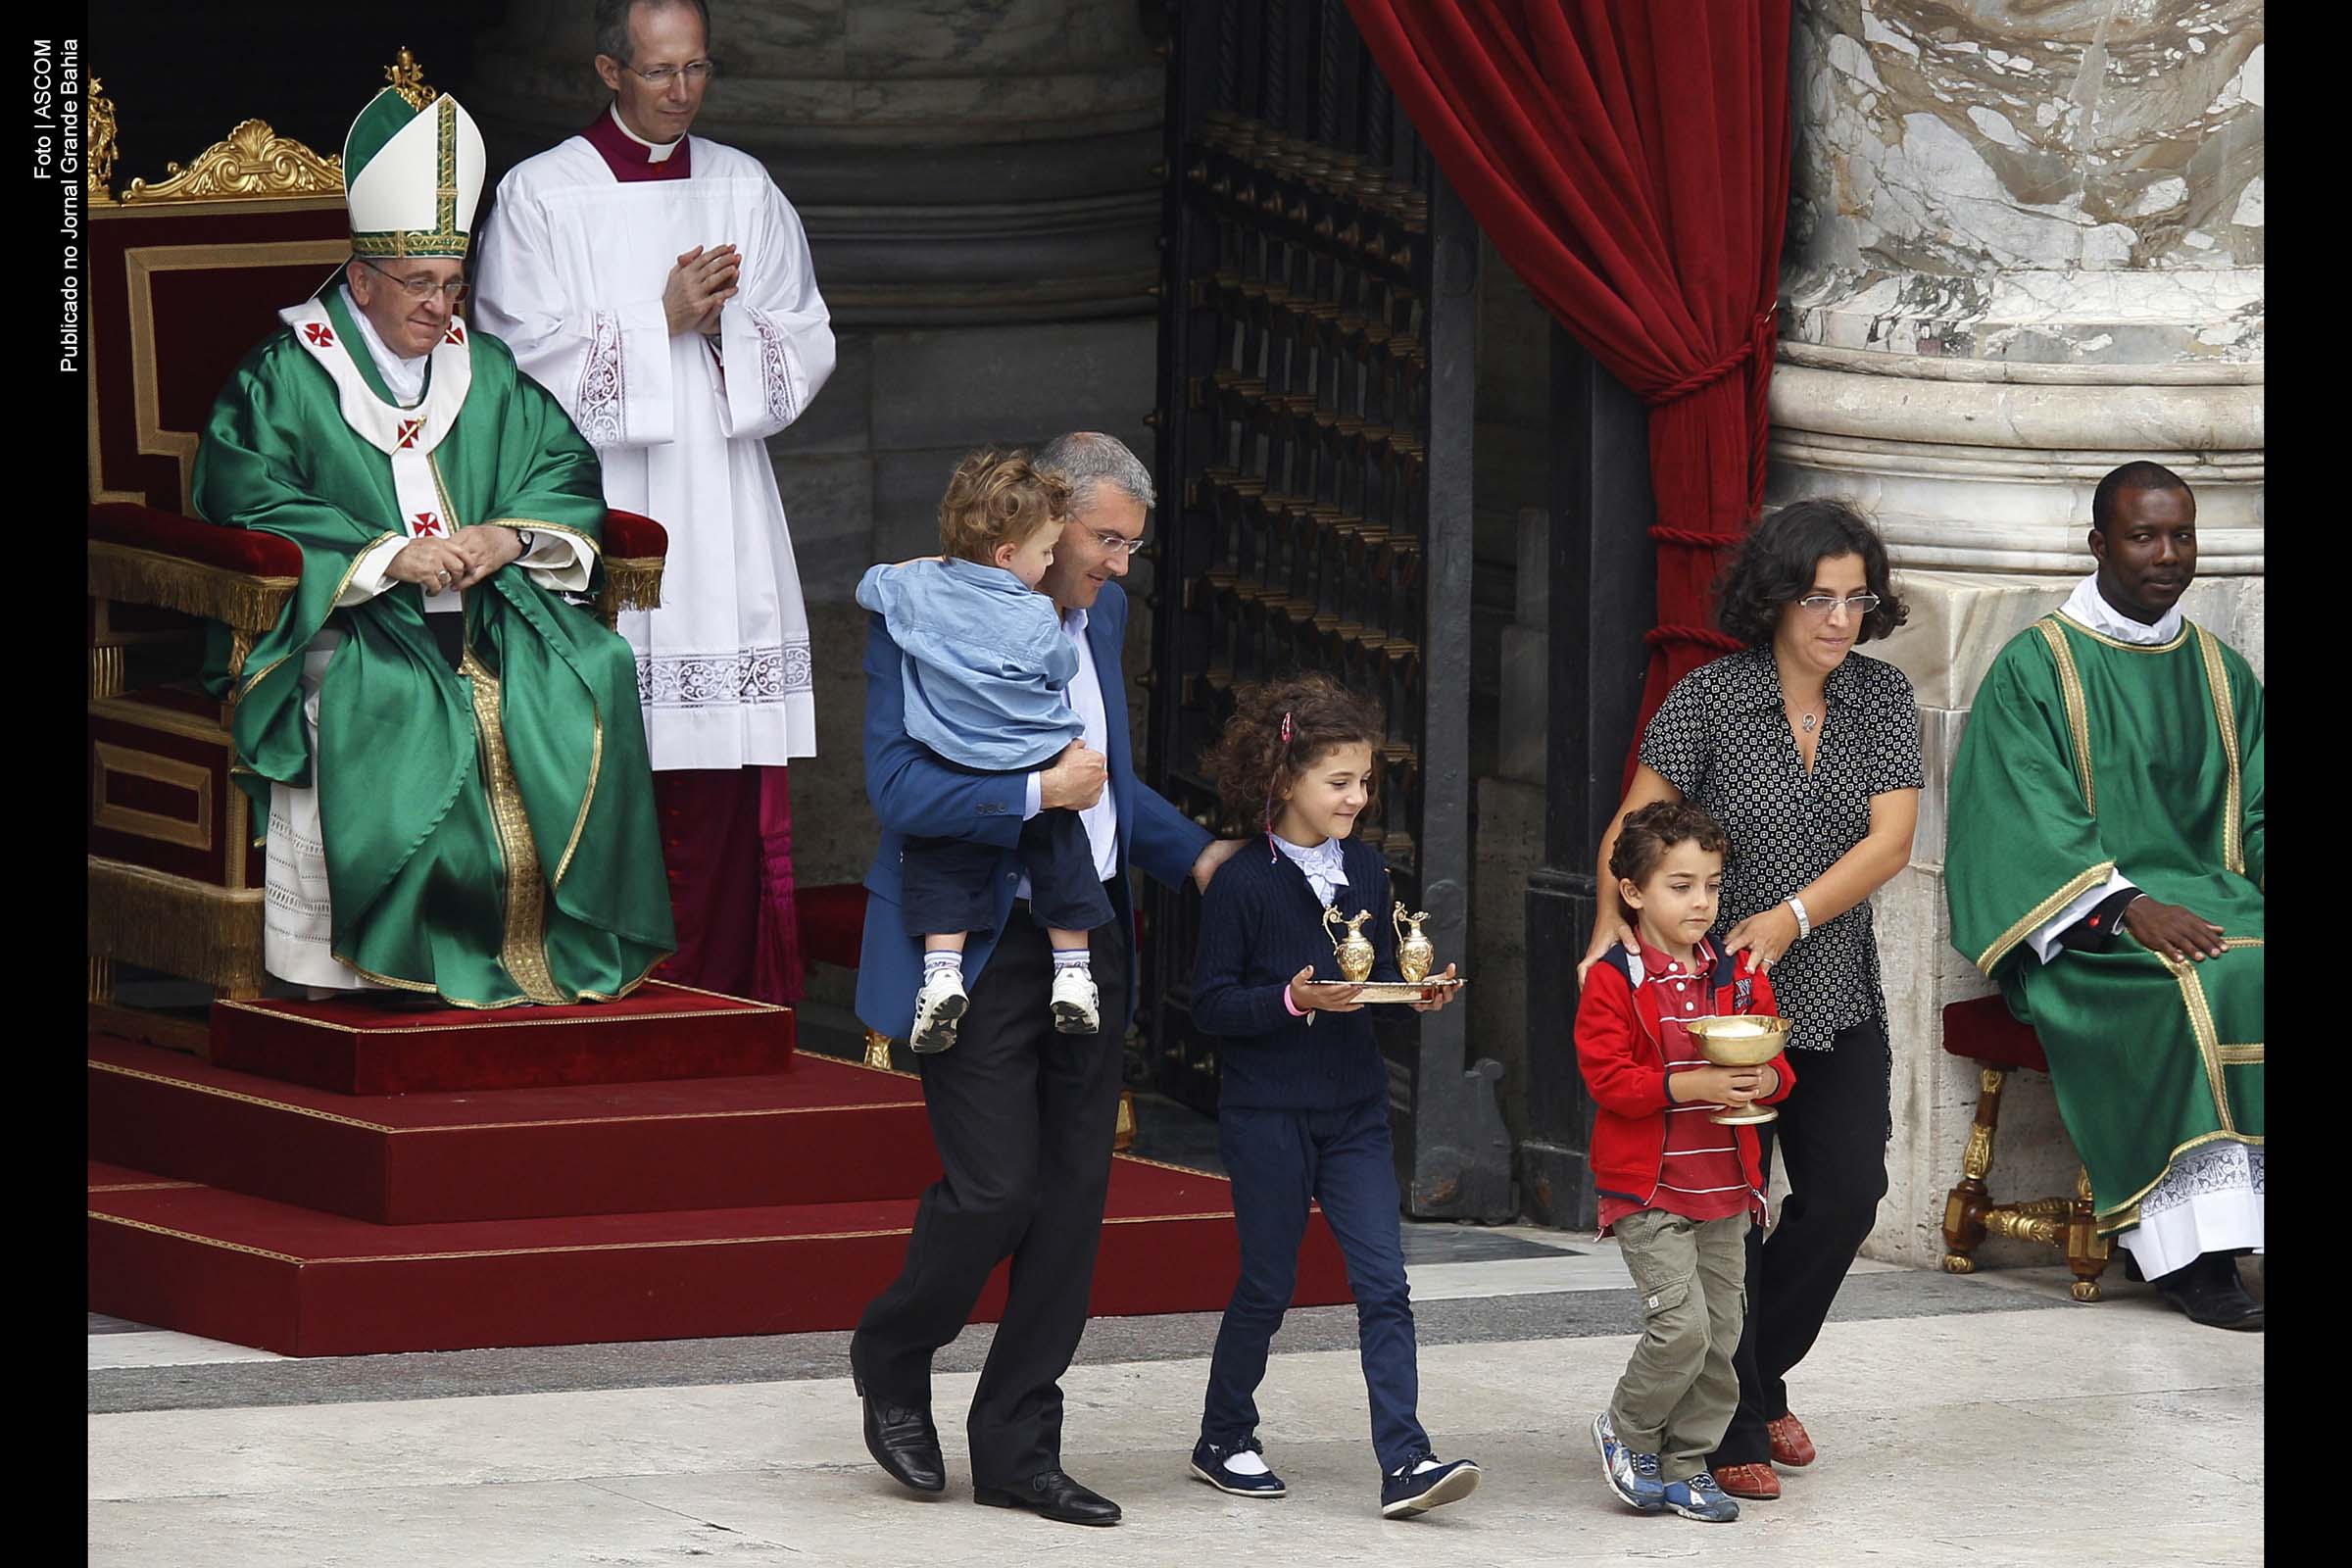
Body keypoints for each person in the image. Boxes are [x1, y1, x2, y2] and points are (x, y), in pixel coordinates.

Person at [195, 86, 674, 1006]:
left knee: (598, 664)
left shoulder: (482, 367)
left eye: (453, 284)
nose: (442, 306)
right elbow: (243, 495)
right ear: (362, 279)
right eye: (420, 283)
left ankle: (554, 945)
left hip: (488, 611)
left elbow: (560, 461)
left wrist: (508, 534)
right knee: (407, 700)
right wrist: (385, 557)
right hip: (355, 624)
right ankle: (397, 957)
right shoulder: (284, 377)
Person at [847, 432, 1248, 1528]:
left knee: (1072, 1206)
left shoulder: (1096, 616)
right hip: (974, 940)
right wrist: (1032, 795)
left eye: (1131, 547)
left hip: (1088, 935)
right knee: (995, 1190)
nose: (1120, 566)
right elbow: (898, 789)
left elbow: (1105, 782)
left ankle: (1020, 1448)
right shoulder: (919, 613)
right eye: (1106, 541)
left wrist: (1198, 855)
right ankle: (893, 1353)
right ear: (1042, 524)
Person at [472, 0, 834, 1004]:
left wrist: (725, 331)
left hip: (722, 500)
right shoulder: (543, 194)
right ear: (609, 71)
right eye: (660, 71)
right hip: (597, 502)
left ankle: (726, 983)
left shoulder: (744, 186)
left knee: (722, 759)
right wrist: (657, 318)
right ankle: (591, 974)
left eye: (697, 69)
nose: (682, 92)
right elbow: (510, 360)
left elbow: (805, 335)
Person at [1577, 497, 1924, 1501]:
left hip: (1834, 990)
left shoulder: (1882, 698)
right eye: (1819, 598)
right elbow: (1632, 829)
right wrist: (1605, 935)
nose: (1840, 619)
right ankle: (1733, 1423)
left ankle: (1757, 1376)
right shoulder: (1710, 698)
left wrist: (1789, 918)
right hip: (1714, 1005)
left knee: (1847, 1196)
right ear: (1774, 597)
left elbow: (1892, 843)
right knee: (1730, 1211)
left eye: (1857, 599)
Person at [1945, 462, 2263, 1330]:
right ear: (2098, 543)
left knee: (2246, 961)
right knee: (2210, 978)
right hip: (2093, 930)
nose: (2168, 555)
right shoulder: (2037, 667)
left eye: (2182, 535)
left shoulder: (2223, 673)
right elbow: (2020, 820)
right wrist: (2128, 908)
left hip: (2219, 901)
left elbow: (2259, 815)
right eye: (2143, 536)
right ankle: (2192, 1257)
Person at [1186, 672, 1478, 1521]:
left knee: (1385, 1284)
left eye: (1365, 781)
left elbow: (1369, 976)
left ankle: (1406, 1460)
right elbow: (1211, 1005)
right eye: (1339, 781)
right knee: (1268, 1284)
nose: (1358, 798)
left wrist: (1412, 993)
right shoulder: (1240, 882)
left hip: (1354, 1110)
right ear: (1284, 781)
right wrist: (1290, 999)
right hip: (1267, 1113)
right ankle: (1223, 1435)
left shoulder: (1367, 869)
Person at [1577, 800, 1795, 1526]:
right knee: (1681, 1330)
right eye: (1680, 886)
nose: (1701, 902)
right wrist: (1691, 1086)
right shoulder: (1614, 979)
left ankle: (1688, 1463)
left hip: (1728, 1188)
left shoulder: (1738, 974)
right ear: (1633, 892)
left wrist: (1764, 1079)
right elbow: (1609, 1081)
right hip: (1650, 1192)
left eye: (1711, 884)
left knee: (1724, 1337)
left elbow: (1777, 1066)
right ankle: (1629, 1432)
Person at [854, 450, 1109, 1048]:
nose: (1051, 563)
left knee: (941, 861)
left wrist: (914, 570)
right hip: (1030, 756)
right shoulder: (1034, 613)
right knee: (1062, 850)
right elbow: (1060, 665)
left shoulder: (914, 587)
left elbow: (868, 585)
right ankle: (1074, 972)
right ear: (1006, 555)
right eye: (1046, 551)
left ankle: (942, 973)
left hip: (949, 754)